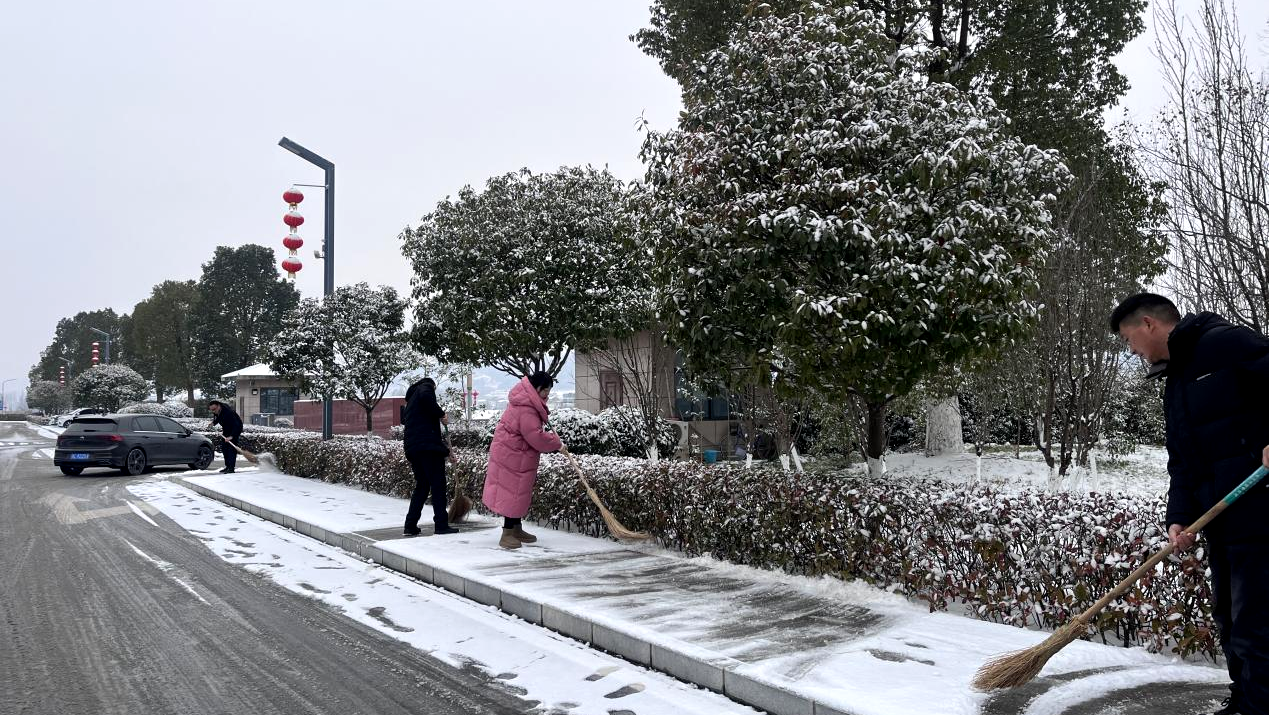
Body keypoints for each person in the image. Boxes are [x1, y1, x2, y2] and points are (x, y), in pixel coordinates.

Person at [1111, 293, 1269, 715]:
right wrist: (1179, 516)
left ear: (1148, 324)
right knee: (1230, 619)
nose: (1132, 351)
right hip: (1219, 516)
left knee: (1257, 622)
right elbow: (1182, 459)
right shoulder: (1176, 380)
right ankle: (1245, 700)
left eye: (1129, 340)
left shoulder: (1226, 343)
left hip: (1260, 510)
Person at [483, 371, 562, 549]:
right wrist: (556, 443)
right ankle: (507, 533)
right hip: (512, 457)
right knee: (513, 493)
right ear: (538, 388)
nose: (547, 395)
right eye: (546, 391)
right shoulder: (527, 408)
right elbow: (535, 437)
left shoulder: (527, 403)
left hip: (515, 455)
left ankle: (516, 528)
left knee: (518, 494)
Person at [402, 377, 458, 536]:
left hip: (413, 449)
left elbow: (423, 430)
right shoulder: (425, 388)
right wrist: (441, 414)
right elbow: (427, 435)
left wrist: (446, 452)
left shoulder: (412, 401)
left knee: (422, 486)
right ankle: (441, 525)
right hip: (426, 448)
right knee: (438, 485)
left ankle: (410, 525)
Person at [208, 400, 243, 474]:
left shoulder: (229, 412)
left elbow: (237, 425)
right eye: (211, 410)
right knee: (224, 448)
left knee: (231, 450)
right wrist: (213, 423)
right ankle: (227, 466)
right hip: (226, 431)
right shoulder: (218, 411)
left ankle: (231, 468)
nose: (213, 411)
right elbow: (218, 418)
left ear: (219, 406)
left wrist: (232, 436)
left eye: (214, 409)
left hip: (234, 430)